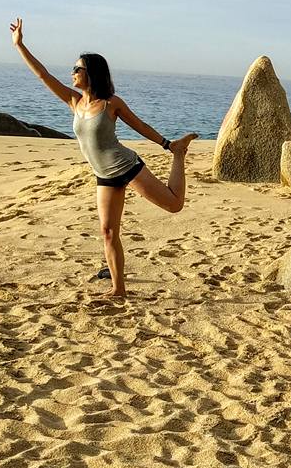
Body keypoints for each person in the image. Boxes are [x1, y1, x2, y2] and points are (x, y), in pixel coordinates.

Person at [10, 18, 197, 298]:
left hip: (127, 166)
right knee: (108, 232)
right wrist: (20, 45)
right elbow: (43, 76)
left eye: (77, 68)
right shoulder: (75, 101)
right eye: (73, 68)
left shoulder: (111, 103)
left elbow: (140, 126)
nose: (72, 72)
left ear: (91, 73)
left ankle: (180, 155)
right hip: (104, 175)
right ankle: (118, 289)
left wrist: (168, 145)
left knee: (174, 205)